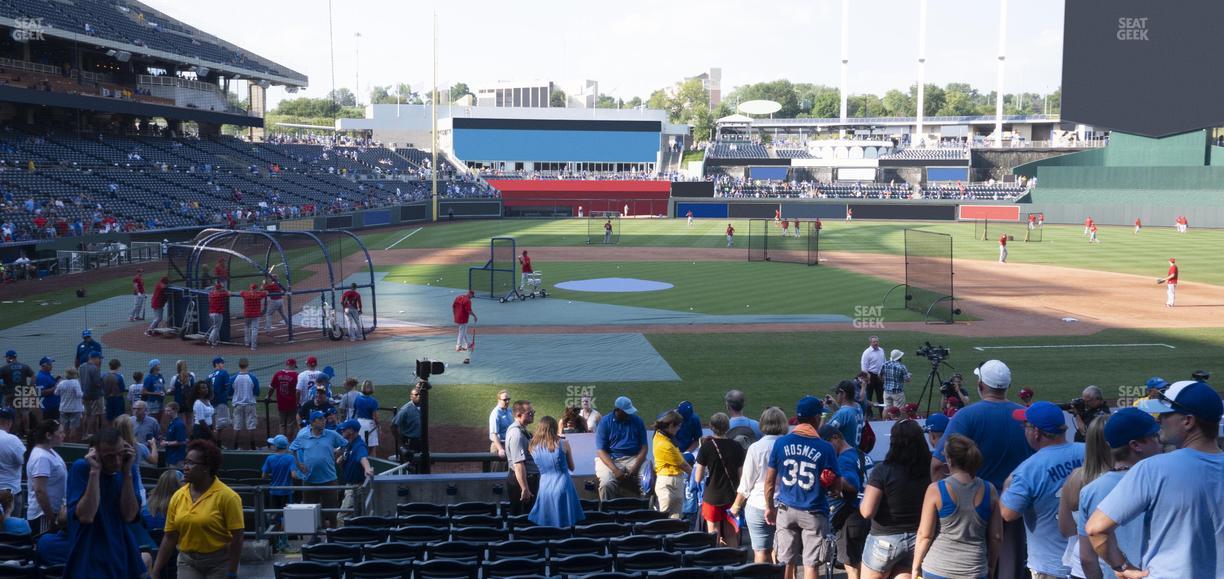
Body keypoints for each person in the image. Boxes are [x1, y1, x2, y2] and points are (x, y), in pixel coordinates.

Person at [1086, 380, 1224, 578]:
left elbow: (1095, 529)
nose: (1158, 420)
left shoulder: (1153, 469)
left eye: (1165, 414)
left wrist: (1123, 567)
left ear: (1188, 421)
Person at [931, 359, 1031, 579]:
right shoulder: (1025, 418)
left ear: (981, 385)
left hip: (974, 515)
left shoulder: (966, 415)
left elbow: (938, 465)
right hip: (1016, 513)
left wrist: (941, 507)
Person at [1000, 401, 1086, 579]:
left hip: (1051, 567)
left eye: (1025, 425)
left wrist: (1008, 484)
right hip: (1091, 561)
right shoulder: (1089, 452)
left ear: (1036, 432)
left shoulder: (1028, 469)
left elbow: (1008, 513)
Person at [1074, 409, 1162, 579]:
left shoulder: (1091, 490)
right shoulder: (1164, 480)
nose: (1161, 441)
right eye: (1154, 436)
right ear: (1135, 445)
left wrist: (1121, 567)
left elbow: (1087, 558)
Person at [765, 396, 839, 579]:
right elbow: (836, 487)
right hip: (813, 512)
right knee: (811, 565)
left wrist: (769, 507)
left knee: (786, 562)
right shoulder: (825, 447)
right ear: (815, 418)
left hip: (786, 509)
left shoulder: (781, 443)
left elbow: (769, 481)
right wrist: (827, 484)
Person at [912, 433, 1003, 579]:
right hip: (975, 568)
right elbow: (996, 536)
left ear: (950, 460)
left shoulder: (935, 490)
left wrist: (915, 567)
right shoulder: (989, 490)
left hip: (938, 568)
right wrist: (991, 566)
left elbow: (925, 535)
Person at [151, 439, 245, 579]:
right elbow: (170, 537)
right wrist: (155, 570)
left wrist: (232, 571)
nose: (185, 467)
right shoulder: (178, 496)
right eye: (185, 462)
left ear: (206, 467)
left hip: (219, 563)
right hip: (187, 561)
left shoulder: (228, 497)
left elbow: (237, 537)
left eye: (191, 463)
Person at [65, 427, 146, 579]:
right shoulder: (82, 468)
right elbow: (86, 516)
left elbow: (129, 515)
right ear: (95, 453)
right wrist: (95, 472)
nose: (116, 461)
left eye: (120, 454)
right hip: (90, 553)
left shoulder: (129, 470)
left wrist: (127, 472)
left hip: (122, 551)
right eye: (109, 456)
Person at [859, 420, 931, 579]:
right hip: (917, 539)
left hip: (884, 540)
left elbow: (867, 512)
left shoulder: (883, 471)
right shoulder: (930, 471)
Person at [731, 407, 787, 564]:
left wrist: (736, 507)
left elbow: (746, 483)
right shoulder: (788, 446)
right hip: (785, 506)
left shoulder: (755, 448)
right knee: (785, 555)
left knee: (762, 554)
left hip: (758, 505)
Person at [695, 412, 747, 547]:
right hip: (731, 496)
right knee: (731, 534)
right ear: (728, 426)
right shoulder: (737, 446)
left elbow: (698, 477)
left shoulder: (706, 446)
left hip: (712, 497)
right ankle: (735, 564)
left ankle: (717, 563)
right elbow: (741, 476)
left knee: (714, 534)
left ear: (711, 427)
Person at [290, 411, 346, 527]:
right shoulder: (303, 436)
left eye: (324, 418)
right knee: (311, 512)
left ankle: (333, 535)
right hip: (309, 480)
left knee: (331, 512)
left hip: (329, 479)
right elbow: (292, 448)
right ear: (312, 422)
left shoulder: (332, 434)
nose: (324, 421)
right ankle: (314, 538)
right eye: (320, 419)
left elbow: (345, 444)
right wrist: (299, 464)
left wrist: (340, 454)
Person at [527, 415, 584, 527]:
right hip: (563, 484)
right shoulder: (563, 443)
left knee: (547, 522)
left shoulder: (532, 446)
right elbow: (571, 467)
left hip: (544, 486)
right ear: (554, 427)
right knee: (566, 523)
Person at [594, 396, 648, 501]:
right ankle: (607, 512)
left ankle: (645, 508)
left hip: (634, 457)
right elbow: (601, 450)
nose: (629, 414)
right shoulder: (605, 422)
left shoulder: (638, 421)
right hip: (611, 458)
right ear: (618, 410)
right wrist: (615, 470)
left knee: (647, 480)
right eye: (626, 411)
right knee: (606, 484)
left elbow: (644, 447)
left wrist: (636, 466)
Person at [26, 420, 67, 534]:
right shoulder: (41, 458)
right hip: (43, 516)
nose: (63, 435)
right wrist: (51, 519)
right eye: (60, 433)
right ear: (48, 435)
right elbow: (40, 491)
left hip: (53, 513)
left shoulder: (50, 451)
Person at [651, 410, 691, 518]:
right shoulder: (665, 445)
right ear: (670, 426)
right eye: (678, 426)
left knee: (676, 519)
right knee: (665, 519)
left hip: (674, 481)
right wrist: (698, 476)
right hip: (668, 483)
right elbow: (684, 465)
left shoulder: (660, 434)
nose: (679, 429)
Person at [505, 400, 539, 516]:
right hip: (523, 481)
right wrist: (525, 489)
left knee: (529, 515)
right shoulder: (516, 435)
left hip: (527, 478)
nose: (533, 414)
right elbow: (518, 464)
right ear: (519, 415)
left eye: (533, 412)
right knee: (522, 518)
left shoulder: (522, 430)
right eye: (530, 413)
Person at [261, 434, 295, 549]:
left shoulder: (270, 458)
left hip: (274, 492)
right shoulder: (290, 458)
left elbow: (263, 476)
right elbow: (293, 475)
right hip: (286, 492)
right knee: (285, 517)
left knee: (276, 517)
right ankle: (284, 542)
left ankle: (277, 543)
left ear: (276, 446)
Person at [336, 420, 374, 516]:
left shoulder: (359, 445)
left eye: (344, 429)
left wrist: (367, 468)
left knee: (341, 518)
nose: (342, 430)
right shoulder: (349, 444)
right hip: (350, 486)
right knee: (354, 517)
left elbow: (363, 457)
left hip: (356, 488)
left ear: (351, 431)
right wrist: (341, 462)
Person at [228, 358, 259, 450]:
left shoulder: (233, 378)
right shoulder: (253, 378)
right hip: (250, 404)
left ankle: (235, 446)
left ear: (239, 365)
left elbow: (229, 393)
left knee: (236, 426)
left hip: (238, 405)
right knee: (251, 426)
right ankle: (252, 447)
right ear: (247, 365)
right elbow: (257, 392)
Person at [1, 350, 32, 434]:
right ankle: (27, 431)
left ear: (8, 358)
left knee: (11, 412)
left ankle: (14, 432)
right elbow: (33, 376)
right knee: (24, 412)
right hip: (22, 392)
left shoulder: (5, 368)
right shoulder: (24, 366)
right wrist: (30, 387)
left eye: (6, 358)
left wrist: (2, 386)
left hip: (9, 394)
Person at [827, 380, 864, 449]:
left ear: (843, 394)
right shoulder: (858, 407)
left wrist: (821, 415)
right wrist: (836, 407)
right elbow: (847, 419)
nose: (836, 395)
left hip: (844, 454)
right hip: (855, 451)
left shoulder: (843, 413)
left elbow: (825, 432)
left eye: (837, 392)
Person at [268, 359, 299, 439]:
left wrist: (268, 396)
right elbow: (298, 390)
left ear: (286, 365)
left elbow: (271, 388)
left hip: (281, 403)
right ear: (293, 365)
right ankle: (288, 442)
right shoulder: (296, 375)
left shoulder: (278, 374)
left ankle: (281, 442)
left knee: (282, 424)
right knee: (291, 423)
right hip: (292, 403)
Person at [208, 358, 232, 447]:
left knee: (212, 424)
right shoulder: (224, 373)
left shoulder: (209, 376)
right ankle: (217, 444)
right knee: (221, 425)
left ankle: (211, 442)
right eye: (222, 363)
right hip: (221, 402)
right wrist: (227, 395)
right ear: (217, 364)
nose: (223, 365)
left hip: (210, 403)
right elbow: (228, 387)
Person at [353, 380, 380, 456]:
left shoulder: (357, 398)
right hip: (369, 424)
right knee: (372, 448)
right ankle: (371, 465)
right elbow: (376, 417)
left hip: (359, 423)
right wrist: (378, 425)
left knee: (360, 446)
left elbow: (355, 410)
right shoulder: (373, 401)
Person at [56, 368, 84, 442]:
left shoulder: (61, 383)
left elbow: (56, 393)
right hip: (75, 409)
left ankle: (64, 442)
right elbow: (79, 395)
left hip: (63, 408)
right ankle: (72, 443)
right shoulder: (75, 382)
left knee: (64, 427)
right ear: (74, 375)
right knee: (73, 427)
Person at [860, 336, 885, 418]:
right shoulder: (867, 353)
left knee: (881, 396)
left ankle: (882, 414)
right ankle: (869, 415)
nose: (876, 343)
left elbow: (884, 362)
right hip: (870, 376)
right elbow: (864, 367)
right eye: (874, 342)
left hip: (879, 376)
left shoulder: (881, 350)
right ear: (870, 343)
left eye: (877, 341)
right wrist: (867, 378)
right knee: (868, 396)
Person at [170, 360, 196, 433]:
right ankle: (191, 437)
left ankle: (182, 437)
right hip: (189, 402)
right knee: (190, 421)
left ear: (177, 368)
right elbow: (193, 386)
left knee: (180, 421)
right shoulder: (192, 375)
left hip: (179, 402)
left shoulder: (175, 378)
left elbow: (171, 389)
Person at [239, 283, 267, 350]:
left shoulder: (245, 294)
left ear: (250, 288)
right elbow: (265, 292)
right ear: (256, 288)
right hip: (255, 315)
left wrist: (251, 292)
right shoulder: (259, 294)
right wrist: (261, 289)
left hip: (247, 314)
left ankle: (247, 343)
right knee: (254, 329)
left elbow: (241, 292)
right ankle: (253, 346)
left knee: (246, 328)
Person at [488, 389, 513, 467]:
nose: (507, 402)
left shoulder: (509, 410)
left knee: (508, 470)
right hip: (498, 445)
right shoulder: (495, 414)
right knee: (497, 471)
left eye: (508, 399)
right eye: (505, 400)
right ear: (499, 400)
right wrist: (500, 449)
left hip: (508, 445)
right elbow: (494, 434)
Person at [453, 290, 476, 364]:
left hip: (457, 316)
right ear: (470, 294)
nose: (472, 298)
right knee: (461, 332)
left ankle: (468, 344)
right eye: (472, 296)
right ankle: (458, 346)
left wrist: (455, 314)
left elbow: (453, 306)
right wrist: (475, 316)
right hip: (463, 318)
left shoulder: (459, 297)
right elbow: (469, 311)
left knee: (464, 331)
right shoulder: (467, 301)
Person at [101, 358, 126, 423]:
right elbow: (122, 389)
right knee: (119, 417)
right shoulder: (119, 377)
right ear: (118, 366)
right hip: (117, 399)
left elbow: (102, 387)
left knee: (109, 417)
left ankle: (111, 431)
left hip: (108, 399)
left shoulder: (104, 376)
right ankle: (118, 431)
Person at [163, 402, 188, 467]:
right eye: (165, 411)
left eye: (169, 411)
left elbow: (181, 441)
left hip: (177, 458)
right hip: (169, 456)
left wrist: (166, 443)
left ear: (175, 410)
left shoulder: (179, 424)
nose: (166, 413)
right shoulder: (171, 423)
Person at [36, 356, 59, 424]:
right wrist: (56, 387)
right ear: (43, 365)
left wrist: (57, 380)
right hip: (48, 407)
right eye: (49, 364)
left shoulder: (48, 375)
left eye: (51, 364)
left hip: (54, 406)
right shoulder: (41, 377)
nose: (51, 365)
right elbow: (40, 392)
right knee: (49, 426)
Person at [206, 282, 228, 347]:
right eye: (221, 288)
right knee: (216, 328)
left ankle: (209, 340)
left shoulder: (211, 294)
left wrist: (220, 289)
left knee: (215, 327)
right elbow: (229, 293)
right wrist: (224, 289)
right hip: (218, 314)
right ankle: (213, 342)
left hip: (211, 314)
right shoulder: (221, 294)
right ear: (219, 288)